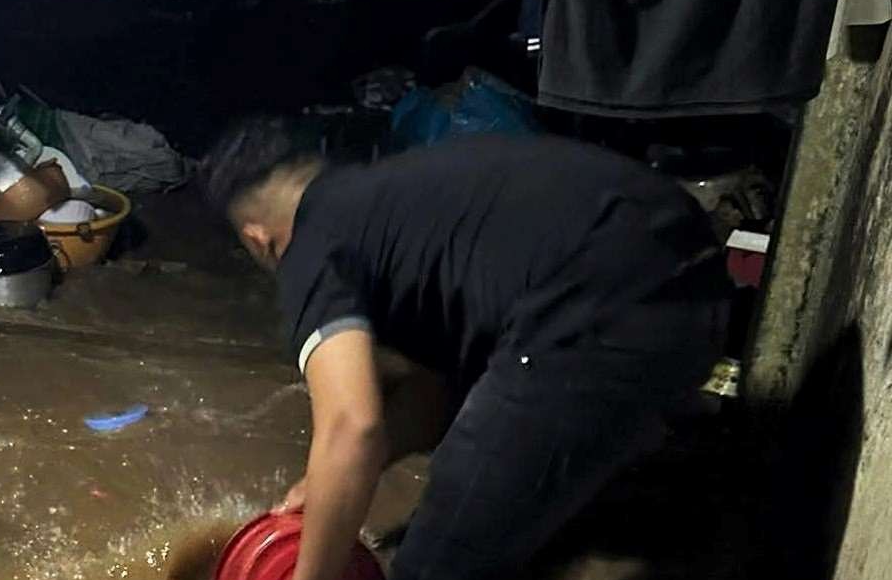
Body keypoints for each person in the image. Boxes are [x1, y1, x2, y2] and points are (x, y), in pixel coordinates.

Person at [199, 120, 731, 580]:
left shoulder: (310, 246)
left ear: (257, 239)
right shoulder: (394, 206)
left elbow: (352, 427)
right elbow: (434, 401)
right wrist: (324, 486)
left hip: (602, 301)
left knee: (433, 565)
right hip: (698, 287)